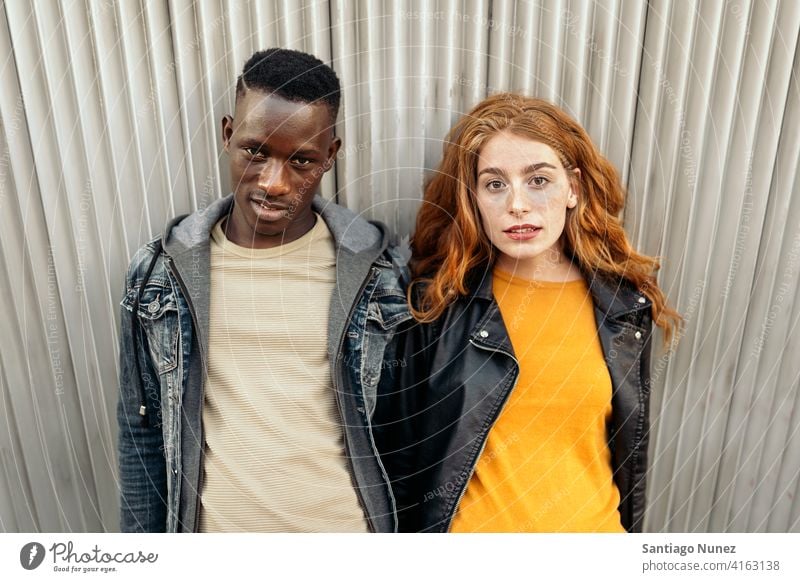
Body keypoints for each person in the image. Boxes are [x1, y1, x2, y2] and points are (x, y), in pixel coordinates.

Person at [117, 48, 410, 532]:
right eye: (256, 151)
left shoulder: (382, 274)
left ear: (331, 156)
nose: (274, 183)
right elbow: (141, 433)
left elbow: (408, 435)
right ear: (228, 133)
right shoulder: (159, 275)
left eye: (301, 160)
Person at [374, 93, 680, 533]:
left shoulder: (624, 309)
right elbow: (396, 459)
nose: (517, 204)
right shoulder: (436, 305)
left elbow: (623, 455)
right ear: (474, 198)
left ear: (572, 188)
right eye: (495, 184)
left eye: (538, 180)